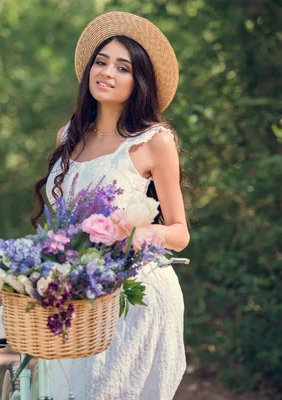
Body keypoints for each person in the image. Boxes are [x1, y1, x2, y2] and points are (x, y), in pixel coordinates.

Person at [31, 11, 190, 399]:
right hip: (76, 292)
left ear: (139, 82)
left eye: (123, 67)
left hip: (133, 296)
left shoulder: (154, 141)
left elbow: (180, 233)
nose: (107, 72)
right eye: (101, 62)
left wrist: (134, 234)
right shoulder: (68, 136)